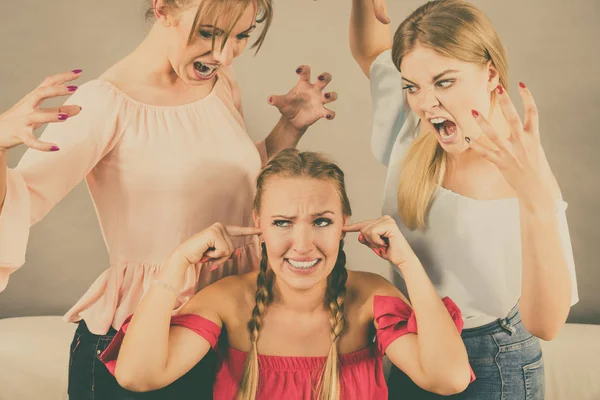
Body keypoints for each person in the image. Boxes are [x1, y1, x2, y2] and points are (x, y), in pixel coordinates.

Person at [0, 0, 338, 398]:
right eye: (209, 34)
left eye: (241, 36)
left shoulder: (222, 83)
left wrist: (290, 128)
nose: (225, 54)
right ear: (163, 8)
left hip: (237, 322)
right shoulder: (102, 103)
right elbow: (23, 200)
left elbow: (237, 186)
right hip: (144, 337)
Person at [100, 149, 473, 399]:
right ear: (258, 223)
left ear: (344, 223)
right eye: (282, 222)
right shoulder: (229, 300)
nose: (303, 244)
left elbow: (449, 378)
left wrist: (407, 263)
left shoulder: (369, 298)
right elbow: (138, 375)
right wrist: (178, 262)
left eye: (321, 221)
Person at [349, 0, 579, 398]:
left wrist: (536, 201)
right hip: (416, 341)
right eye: (412, 86)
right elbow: (371, 52)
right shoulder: (414, 123)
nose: (425, 102)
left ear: (490, 73)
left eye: (444, 82)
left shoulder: (520, 169)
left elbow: (546, 324)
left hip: (491, 362)